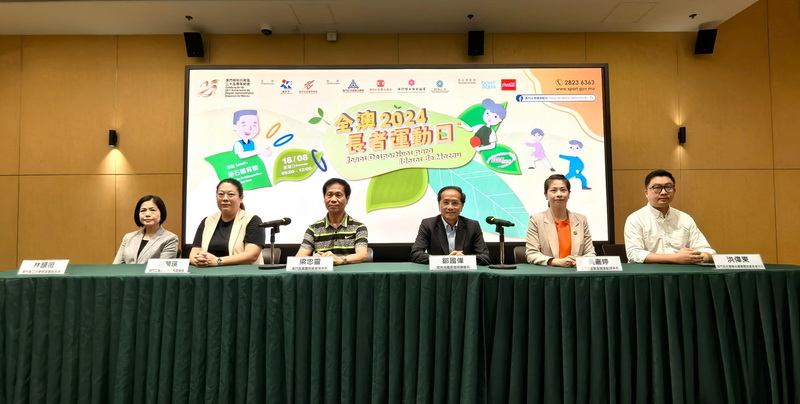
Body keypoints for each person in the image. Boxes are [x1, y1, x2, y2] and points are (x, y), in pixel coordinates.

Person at [624, 169, 715, 264]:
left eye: (668, 187)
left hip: (682, 271)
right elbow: (634, 254)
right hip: (648, 272)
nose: (663, 192)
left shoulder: (685, 219)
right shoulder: (635, 219)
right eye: (657, 188)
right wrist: (676, 258)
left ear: (674, 191)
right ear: (646, 193)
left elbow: (708, 251)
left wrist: (698, 257)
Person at [190, 178, 265, 267]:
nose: (225, 198)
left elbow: (252, 255)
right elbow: (194, 252)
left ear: (241, 198)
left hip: (242, 273)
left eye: (230, 194)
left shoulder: (252, 220)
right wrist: (198, 261)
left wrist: (218, 261)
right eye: (221, 194)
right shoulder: (207, 221)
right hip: (209, 273)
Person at [525, 174, 595, 267]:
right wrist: (557, 262)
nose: (559, 194)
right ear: (546, 195)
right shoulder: (536, 220)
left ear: (569, 194)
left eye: (563, 190)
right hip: (550, 272)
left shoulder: (581, 220)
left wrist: (580, 260)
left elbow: (590, 253)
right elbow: (531, 254)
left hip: (575, 272)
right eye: (554, 190)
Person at [411, 186, 491, 265]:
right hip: (439, 271)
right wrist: (447, 260)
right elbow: (416, 254)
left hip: (464, 271)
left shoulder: (472, 226)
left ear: (462, 206)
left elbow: (485, 257)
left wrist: (464, 259)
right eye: (446, 202)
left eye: (455, 203)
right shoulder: (428, 224)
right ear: (439, 205)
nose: (450, 207)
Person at [296, 178, 368, 265]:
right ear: (324, 198)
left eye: (338, 195)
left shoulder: (359, 227)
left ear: (347, 199)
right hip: (323, 273)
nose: (333, 199)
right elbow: (299, 257)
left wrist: (340, 260)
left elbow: (362, 255)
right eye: (329, 195)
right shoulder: (313, 228)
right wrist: (314, 259)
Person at [113, 195, 179, 264]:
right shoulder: (128, 237)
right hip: (126, 271)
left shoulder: (170, 238)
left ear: (161, 213)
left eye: (152, 210)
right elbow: (116, 265)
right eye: (143, 210)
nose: (147, 214)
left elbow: (162, 268)